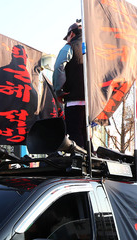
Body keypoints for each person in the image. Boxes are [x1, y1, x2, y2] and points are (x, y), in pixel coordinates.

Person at [53, 21, 87, 150]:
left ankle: (79, 163)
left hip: (73, 99)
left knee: (75, 133)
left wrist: (59, 90)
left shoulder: (69, 46)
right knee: (86, 134)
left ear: (71, 34)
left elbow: (59, 67)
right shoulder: (93, 50)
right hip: (90, 102)